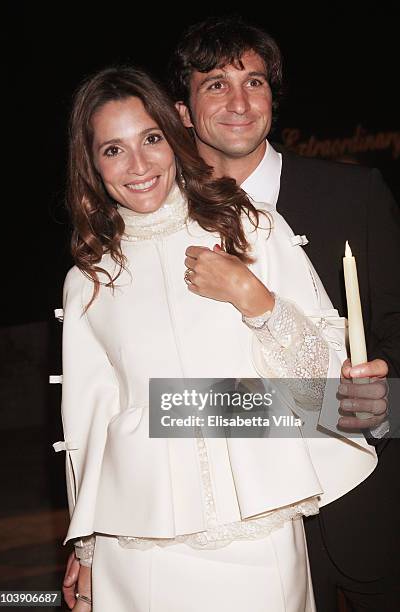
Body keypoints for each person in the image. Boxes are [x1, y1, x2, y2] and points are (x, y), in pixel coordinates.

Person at [56, 64, 380, 611]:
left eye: (151, 139)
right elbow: (88, 425)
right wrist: (87, 547)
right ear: (91, 163)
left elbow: (321, 378)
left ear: (173, 135)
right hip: (141, 543)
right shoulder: (90, 276)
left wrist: (256, 300)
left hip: (260, 522)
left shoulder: (250, 224)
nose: (138, 165)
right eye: (113, 150)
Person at [166, 15, 400, 612]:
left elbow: (396, 333)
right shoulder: (160, 223)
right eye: (215, 83)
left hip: (366, 504)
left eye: (255, 81)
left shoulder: (354, 194)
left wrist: (383, 394)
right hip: (241, 528)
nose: (240, 101)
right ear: (184, 112)